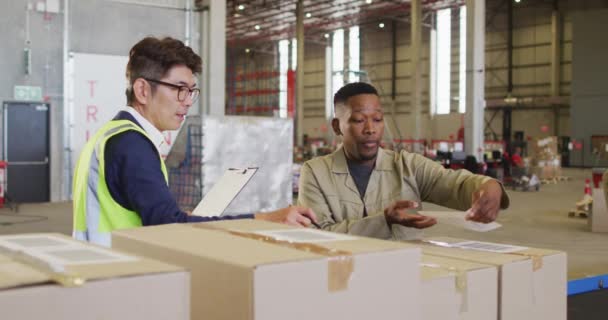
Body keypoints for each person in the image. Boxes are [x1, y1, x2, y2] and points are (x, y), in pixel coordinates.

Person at [73, 37, 316, 246]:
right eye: (179, 89)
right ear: (143, 90)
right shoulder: (132, 144)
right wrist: (268, 219)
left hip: (100, 265)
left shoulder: (110, 134)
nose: (188, 101)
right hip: (122, 272)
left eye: (191, 91)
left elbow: (149, 213)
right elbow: (170, 227)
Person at [297, 82, 509, 239]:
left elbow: (455, 183)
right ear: (337, 126)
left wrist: (488, 186)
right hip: (341, 279)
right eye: (359, 120)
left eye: (378, 120)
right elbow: (317, 236)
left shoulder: (408, 166)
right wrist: (383, 221)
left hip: (404, 277)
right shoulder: (315, 172)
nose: (371, 129)